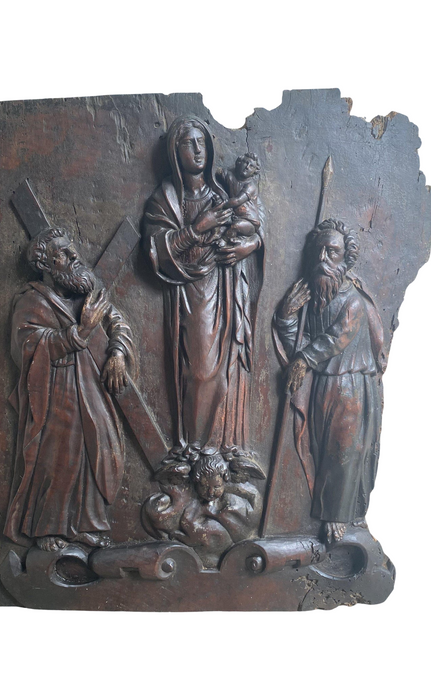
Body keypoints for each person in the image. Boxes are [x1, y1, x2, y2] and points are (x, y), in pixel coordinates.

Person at [4, 227, 134, 552]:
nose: (74, 255)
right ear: (46, 266)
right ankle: (49, 528)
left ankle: (85, 525)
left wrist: (118, 352)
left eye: (71, 248)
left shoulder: (85, 296)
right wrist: (81, 331)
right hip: (55, 391)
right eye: (63, 253)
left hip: (92, 389)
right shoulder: (32, 302)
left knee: (95, 452)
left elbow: (117, 321)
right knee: (60, 459)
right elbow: (28, 346)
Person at [142, 116, 265, 460]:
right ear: (174, 151)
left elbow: (256, 223)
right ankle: (194, 446)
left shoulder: (223, 189)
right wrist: (198, 228)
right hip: (191, 292)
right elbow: (156, 250)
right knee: (199, 371)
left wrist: (250, 246)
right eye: (188, 143)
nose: (197, 150)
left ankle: (219, 450)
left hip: (228, 287)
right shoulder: (165, 199)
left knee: (227, 369)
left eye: (201, 143)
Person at [272, 219, 385, 544]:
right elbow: (302, 342)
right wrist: (287, 316)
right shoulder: (314, 295)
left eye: (332, 252)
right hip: (323, 384)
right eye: (318, 251)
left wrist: (305, 359)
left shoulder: (353, 301)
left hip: (351, 386)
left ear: (345, 259)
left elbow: (337, 338)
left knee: (342, 448)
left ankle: (338, 515)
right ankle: (321, 510)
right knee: (319, 449)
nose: (323, 258)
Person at [216, 152, 262, 243]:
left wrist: (221, 205)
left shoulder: (250, 186)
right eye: (245, 162)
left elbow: (237, 201)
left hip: (249, 222)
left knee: (236, 226)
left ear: (254, 171)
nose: (247, 167)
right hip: (234, 216)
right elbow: (218, 172)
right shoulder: (230, 177)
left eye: (251, 166)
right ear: (239, 162)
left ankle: (225, 240)